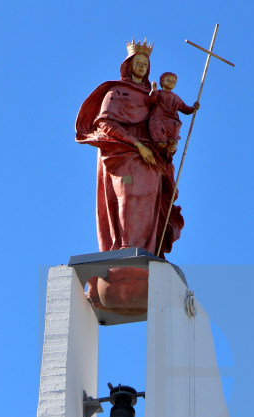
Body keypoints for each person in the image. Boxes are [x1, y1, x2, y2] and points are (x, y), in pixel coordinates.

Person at [76, 40, 183, 256]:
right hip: (123, 153)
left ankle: (146, 251)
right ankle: (125, 246)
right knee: (127, 195)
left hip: (151, 158)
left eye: (146, 63)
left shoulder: (155, 97)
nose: (142, 66)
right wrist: (136, 145)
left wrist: (169, 145)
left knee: (149, 201)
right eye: (139, 62)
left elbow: (162, 125)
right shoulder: (117, 91)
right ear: (129, 65)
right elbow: (105, 123)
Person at [149, 72, 199, 156]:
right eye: (168, 80)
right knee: (160, 140)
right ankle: (159, 146)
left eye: (173, 81)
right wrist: (153, 91)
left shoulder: (176, 98)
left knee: (172, 141)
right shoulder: (159, 93)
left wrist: (193, 108)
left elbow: (185, 108)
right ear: (162, 82)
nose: (171, 82)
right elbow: (151, 100)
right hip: (159, 119)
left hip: (172, 121)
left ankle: (170, 149)